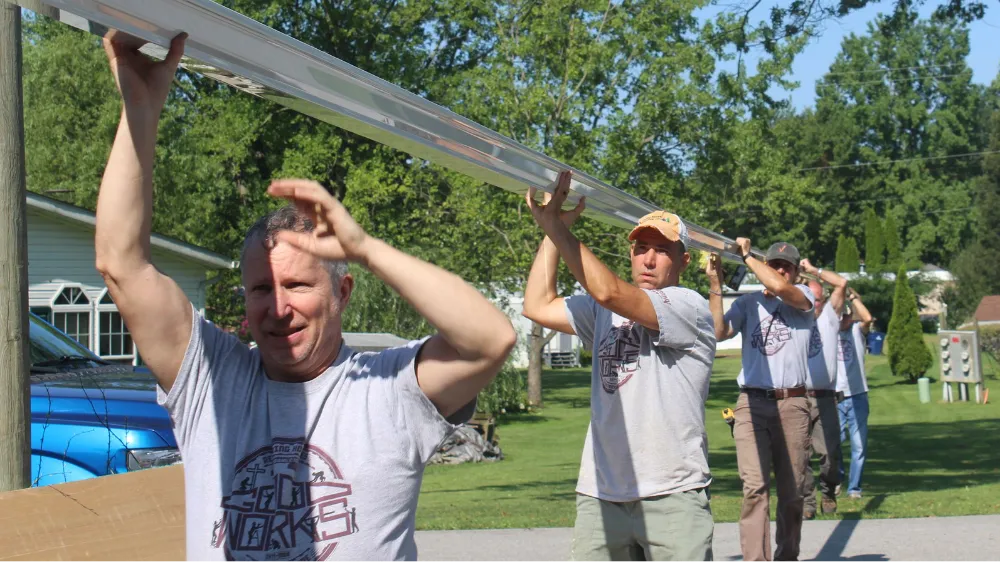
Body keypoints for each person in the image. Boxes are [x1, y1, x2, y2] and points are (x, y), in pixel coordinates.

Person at [94, 33, 516, 560]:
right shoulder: (211, 380)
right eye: (260, 289)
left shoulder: (384, 391)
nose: (277, 308)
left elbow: (491, 339)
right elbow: (121, 264)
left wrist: (365, 248)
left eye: (296, 285)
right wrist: (139, 106)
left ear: (342, 291)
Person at [522, 173, 716, 561]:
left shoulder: (688, 305)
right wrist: (552, 231)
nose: (648, 259)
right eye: (641, 247)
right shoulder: (601, 312)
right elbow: (537, 305)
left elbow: (609, 290)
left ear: (684, 260)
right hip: (601, 494)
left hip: (672, 493)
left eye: (661, 250)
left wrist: (557, 228)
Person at [707, 240, 815, 562]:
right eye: (775, 264)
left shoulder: (804, 299)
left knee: (792, 493)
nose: (781, 270)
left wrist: (746, 258)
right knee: (755, 488)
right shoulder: (748, 303)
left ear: (795, 273)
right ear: (766, 264)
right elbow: (718, 331)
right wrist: (715, 284)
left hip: (792, 404)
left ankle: (787, 556)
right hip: (751, 403)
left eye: (787, 266)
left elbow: (781, 288)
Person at [797, 260, 849, 519]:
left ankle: (828, 491)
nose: (814, 304)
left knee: (829, 454)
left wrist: (813, 270)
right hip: (799, 398)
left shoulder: (830, 316)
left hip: (826, 397)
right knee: (800, 456)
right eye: (810, 299)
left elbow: (842, 283)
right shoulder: (795, 316)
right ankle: (807, 502)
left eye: (818, 300)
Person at [836, 288, 874, 500]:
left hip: (858, 395)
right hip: (836, 397)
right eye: (840, 316)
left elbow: (867, 317)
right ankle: (838, 479)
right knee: (834, 444)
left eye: (846, 315)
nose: (843, 320)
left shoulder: (858, 332)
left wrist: (852, 297)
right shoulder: (828, 333)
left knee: (859, 445)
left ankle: (854, 489)